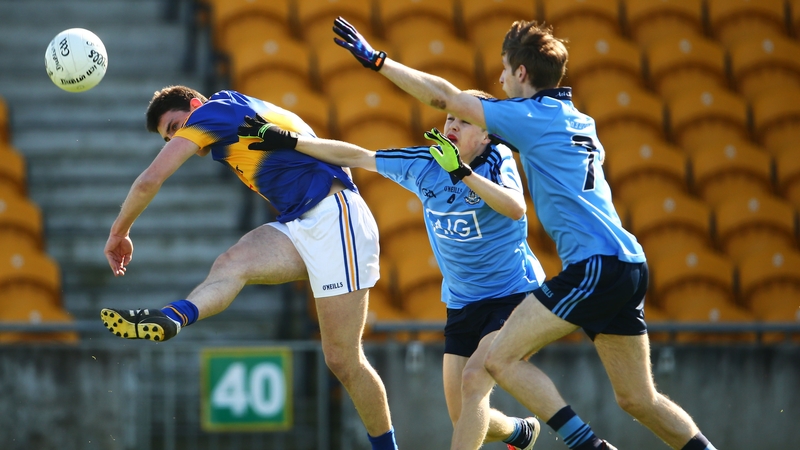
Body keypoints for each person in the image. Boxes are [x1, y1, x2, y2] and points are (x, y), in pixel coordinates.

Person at [328, 16, 719, 450]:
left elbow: (445, 98)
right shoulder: (578, 119)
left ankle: (588, 446)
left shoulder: (530, 116)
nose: (500, 79)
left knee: (499, 359)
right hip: (628, 262)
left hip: (595, 265)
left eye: (504, 69)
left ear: (521, 72)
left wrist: (378, 61)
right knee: (638, 399)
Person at [237, 89, 544, 450]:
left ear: (486, 135)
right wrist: (291, 141)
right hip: (463, 302)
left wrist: (461, 173)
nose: (453, 125)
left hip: (514, 295)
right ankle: (519, 432)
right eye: (451, 118)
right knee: (465, 415)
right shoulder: (425, 163)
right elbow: (358, 155)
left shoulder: (497, 158)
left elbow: (515, 207)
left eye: (465, 121)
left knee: (473, 381)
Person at [99, 85, 399, 450]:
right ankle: (173, 317)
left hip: (336, 218)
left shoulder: (209, 114)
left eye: (175, 127)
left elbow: (150, 180)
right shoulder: (233, 109)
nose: (176, 139)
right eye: (169, 137)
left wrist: (119, 232)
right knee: (233, 262)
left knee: (343, 359)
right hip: (302, 221)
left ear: (194, 105)